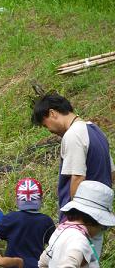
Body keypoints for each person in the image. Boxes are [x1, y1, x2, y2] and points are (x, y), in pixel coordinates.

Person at [32, 93, 115, 256]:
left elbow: (77, 178)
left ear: (52, 113)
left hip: (80, 221)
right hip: (96, 219)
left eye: (45, 124)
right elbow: (112, 173)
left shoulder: (73, 135)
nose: (48, 130)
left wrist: (71, 220)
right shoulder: (96, 130)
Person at [39, 180, 115, 267]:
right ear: (94, 221)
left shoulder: (61, 231)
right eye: (103, 227)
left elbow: (43, 262)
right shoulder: (80, 241)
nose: (101, 229)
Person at [0, 178, 54, 268]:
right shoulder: (47, 221)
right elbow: (55, 246)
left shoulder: (11, 218)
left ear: (17, 199)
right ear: (40, 198)